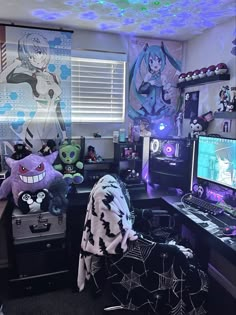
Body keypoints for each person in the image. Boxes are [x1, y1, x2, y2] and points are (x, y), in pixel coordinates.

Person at [77, 174, 208, 314]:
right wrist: (174, 248)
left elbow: (130, 215)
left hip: (124, 256)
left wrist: (145, 214)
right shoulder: (117, 224)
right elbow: (141, 241)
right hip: (135, 258)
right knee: (184, 252)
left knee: (178, 239)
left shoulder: (110, 195)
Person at [0, 32, 66, 152]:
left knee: (51, 162)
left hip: (53, 127)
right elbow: (2, 79)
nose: (35, 58)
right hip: (36, 126)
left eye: (39, 53)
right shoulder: (31, 77)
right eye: (30, 56)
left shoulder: (56, 78)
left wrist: (64, 131)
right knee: (34, 162)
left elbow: (58, 108)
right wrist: (15, 63)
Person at [128, 41, 182, 121]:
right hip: (148, 105)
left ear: (162, 61)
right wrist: (149, 83)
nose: (155, 64)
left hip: (160, 105)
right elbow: (140, 90)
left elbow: (165, 95)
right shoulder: (148, 75)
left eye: (158, 60)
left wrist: (166, 89)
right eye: (152, 61)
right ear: (148, 62)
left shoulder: (163, 77)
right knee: (142, 119)